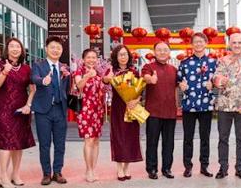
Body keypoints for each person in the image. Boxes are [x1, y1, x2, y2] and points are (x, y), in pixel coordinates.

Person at [0, 37, 36, 188]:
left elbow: (32, 89)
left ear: (22, 50)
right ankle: (3, 177)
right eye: (12, 46)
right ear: (7, 49)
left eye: (18, 47)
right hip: (3, 110)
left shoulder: (26, 68)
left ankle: (15, 174)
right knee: (6, 143)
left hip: (21, 110)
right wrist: (4, 73)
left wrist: (28, 104)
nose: (15, 49)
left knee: (18, 143)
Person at [213, 32, 241, 180]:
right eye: (234, 43)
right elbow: (215, 77)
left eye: (239, 43)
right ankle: (223, 168)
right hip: (225, 106)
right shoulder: (222, 60)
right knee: (223, 138)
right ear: (229, 43)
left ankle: (240, 168)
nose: (237, 45)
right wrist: (219, 80)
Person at [177, 32, 217, 178]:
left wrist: (212, 84)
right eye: (196, 42)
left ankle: (204, 166)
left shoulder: (213, 62)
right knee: (188, 137)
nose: (198, 44)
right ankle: (188, 167)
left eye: (201, 41)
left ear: (205, 43)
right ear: (192, 44)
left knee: (205, 137)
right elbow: (178, 81)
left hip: (206, 105)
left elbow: (219, 82)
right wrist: (181, 85)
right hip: (189, 105)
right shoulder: (184, 63)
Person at [31, 36, 71, 185]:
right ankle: (46, 173)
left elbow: (68, 88)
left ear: (61, 51)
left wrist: (69, 77)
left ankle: (58, 172)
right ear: (46, 48)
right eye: (52, 47)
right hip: (43, 111)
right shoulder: (38, 65)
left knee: (60, 143)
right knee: (45, 144)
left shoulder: (64, 67)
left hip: (60, 110)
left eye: (58, 48)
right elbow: (34, 78)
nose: (56, 50)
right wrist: (43, 81)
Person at [142, 41, 178, 179]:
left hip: (170, 111)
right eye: (159, 50)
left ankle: (167, 168)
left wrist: (177, 105)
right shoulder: (148, 67)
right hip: (153, 112)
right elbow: (145, 78)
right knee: (152, 142)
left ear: (169, 53)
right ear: (154, 52)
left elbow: (175, 89)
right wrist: (151, 79)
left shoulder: (174, 69)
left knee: (169, 143)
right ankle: (151, 169)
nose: (162, 52)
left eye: (165, 50)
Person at [74, 48, 110, 182]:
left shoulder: (99, 73)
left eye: (94, 57)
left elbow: (104, 89)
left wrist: (105, 80)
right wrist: (87, 76)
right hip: (85, 110)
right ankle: (88, 170)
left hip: (97, 110)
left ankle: (93, 169)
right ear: (83, 59)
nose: (91, 60)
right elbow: (79, 85)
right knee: (88, 140)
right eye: (88, 57)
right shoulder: (79, 71)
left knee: (96, 141)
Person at [108, 44, 143, 181]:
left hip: (132, 107)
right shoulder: (112, 71)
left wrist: (137, 100)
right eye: (120, 54)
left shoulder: (134, 71)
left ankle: (127, 167)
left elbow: (141, 90)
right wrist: (107, 78)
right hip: (117, 108)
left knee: (130, 137)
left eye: (125, 54)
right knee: (118, 137)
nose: (123, 57)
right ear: (116, 57)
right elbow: (105, 82)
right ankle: (119, 168)